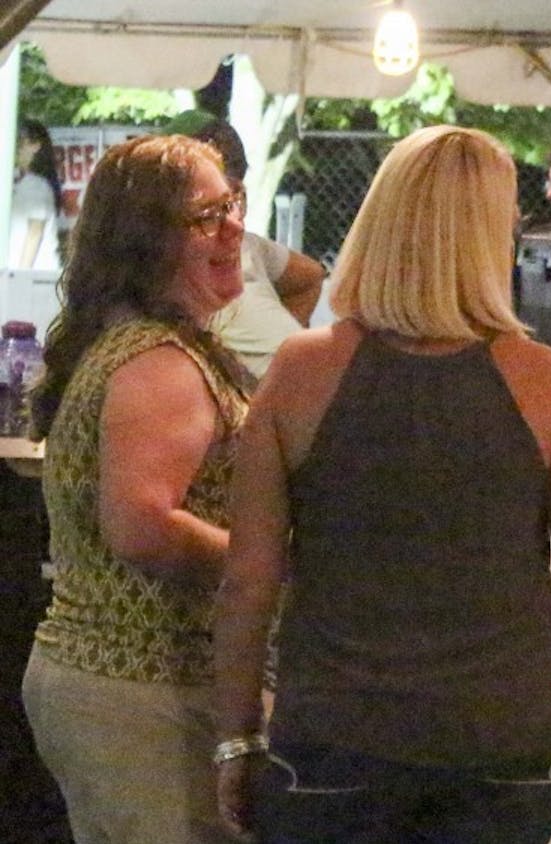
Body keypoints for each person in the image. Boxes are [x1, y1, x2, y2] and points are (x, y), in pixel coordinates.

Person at [213, 125, 551, 844]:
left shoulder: (299, 373)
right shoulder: (543, 381)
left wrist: (235, 739)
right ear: (491, 239)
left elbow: (248, 582)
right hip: (507, 742)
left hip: (334, 738)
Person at [21, 134, 250, 844]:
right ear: (146, 242)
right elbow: (142, 526)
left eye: (232, 204)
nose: (234, 228)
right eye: (207, 217)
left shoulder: (137, 342)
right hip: (141, 690)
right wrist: (268, 564)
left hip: (114, 685)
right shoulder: (158, 361)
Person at [163, 110, 326, 379]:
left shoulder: (237, 250)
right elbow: (310, 276)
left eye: (232, 201)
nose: (234, 222)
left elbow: (310, 277)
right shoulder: (233, 250)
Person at [9, 119, 62, 270]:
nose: (16, 147)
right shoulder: (16, 180)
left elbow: (35, 233)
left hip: (33, 275)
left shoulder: (38, 185)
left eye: (20, 141)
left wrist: (21, 275)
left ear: (36, 146)